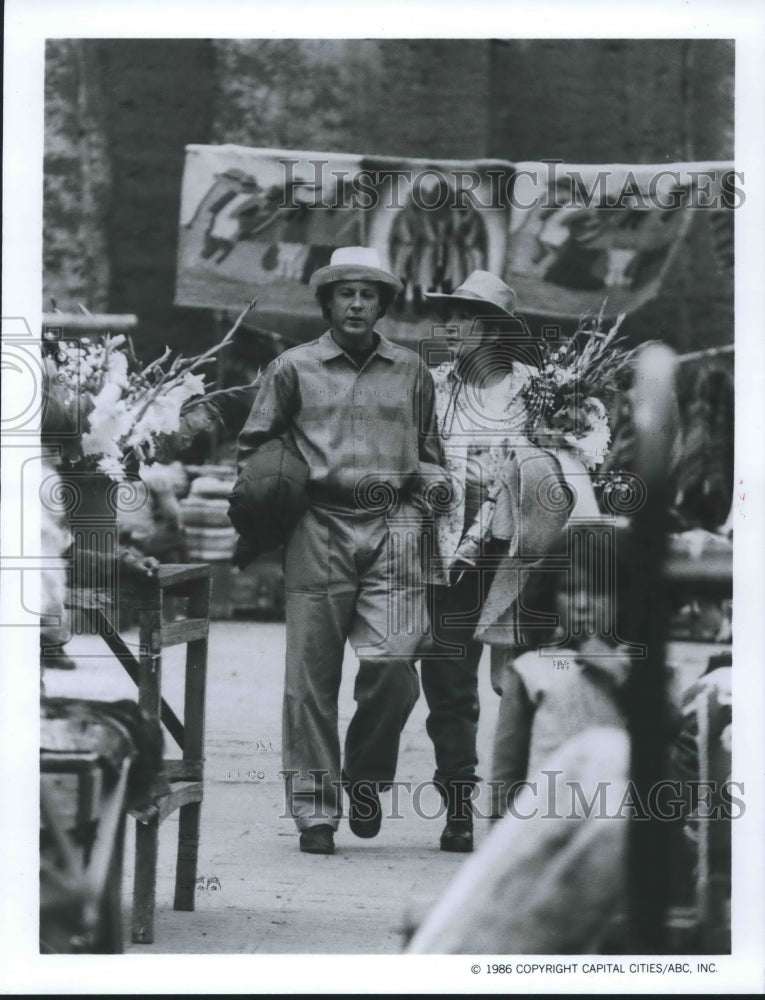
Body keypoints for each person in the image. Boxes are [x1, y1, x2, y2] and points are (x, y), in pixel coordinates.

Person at [236, 246, 445, 855]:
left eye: (369, 294)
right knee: (310, 680)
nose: (357, 303)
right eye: (345, 293)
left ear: (382, 304)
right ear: (327, 302)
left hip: (395, 526)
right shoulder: (292, 367)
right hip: (318, 525)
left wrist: (437, 481)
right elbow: (255, 445)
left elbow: (430, 449)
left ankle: (365, 780)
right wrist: (274, 491)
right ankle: (314, 809)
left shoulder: (410, 370)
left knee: (395, 670)